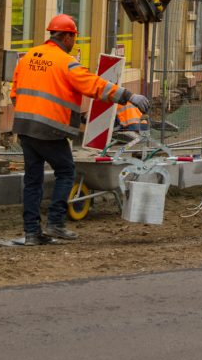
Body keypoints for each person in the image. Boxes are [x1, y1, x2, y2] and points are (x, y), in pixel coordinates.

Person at [9, 13, 150, 245]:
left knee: (32, 180)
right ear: (65, 36)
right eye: (73, 37)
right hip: (50, 130)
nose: (74, 42)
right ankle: (55, 223)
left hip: (25, 127)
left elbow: (15, 93)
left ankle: (32, 232)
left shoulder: (28, 57)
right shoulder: (66, 62)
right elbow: (95, 86)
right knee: (66, 172)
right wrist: (129, 96)